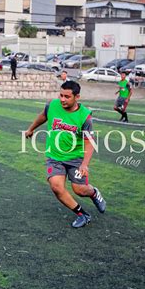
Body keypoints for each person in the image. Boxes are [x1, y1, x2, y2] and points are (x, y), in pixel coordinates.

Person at [25, 80, 106, 228]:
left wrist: (85, 164)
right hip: (54, 157)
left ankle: (94, 193)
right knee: (56, 187)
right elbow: (43, 116)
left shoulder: (84, 116)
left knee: (80, 190)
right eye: (61, 95)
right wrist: (31, 129)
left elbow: (89, 142)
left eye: (67, 96)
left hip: (76, 158)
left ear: (77, 97)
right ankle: (83, 215)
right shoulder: (52, 105)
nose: (62, 99)